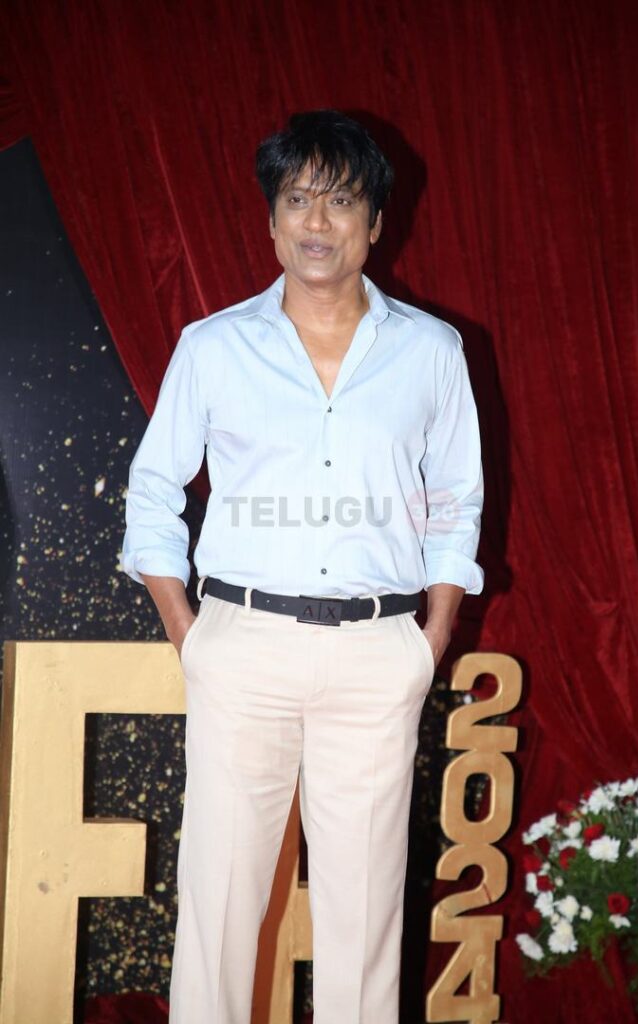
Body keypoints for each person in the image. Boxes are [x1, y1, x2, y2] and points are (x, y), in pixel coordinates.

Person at [121, 108, 484, 1024]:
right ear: (271, 220)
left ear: (376, 222)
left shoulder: (431, 352)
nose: (317, 222)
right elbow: (153, 490)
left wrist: (430, 637)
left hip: (376, 655)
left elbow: (456, 501)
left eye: (341, 201)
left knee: (365, 919)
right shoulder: (213, 346)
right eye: (297, 200)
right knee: (218, 904)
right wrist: (190, 634)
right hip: (242, 647)